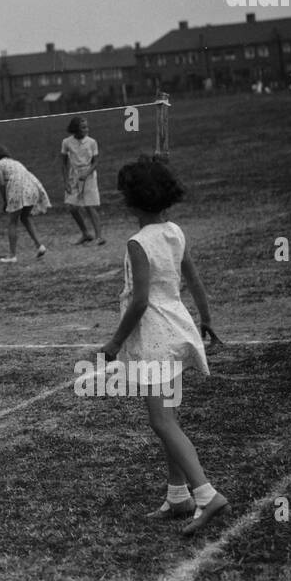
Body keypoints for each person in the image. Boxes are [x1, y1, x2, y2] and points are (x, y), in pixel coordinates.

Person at [99, 157, 227, 536]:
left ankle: (206, 494)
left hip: (154, 338)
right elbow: (194, 279)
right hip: (177, 330)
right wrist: (206, 319)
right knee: (168, 418)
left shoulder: (138, 242)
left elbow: (139, 302)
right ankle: (178, 496)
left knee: (160, 420)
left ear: (131, 201)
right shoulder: (174, 231)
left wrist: (115, 341)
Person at [0, 144, 50, 263]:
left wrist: (5, 201)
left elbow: (1, 184)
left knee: (12, 222)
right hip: (32, 186)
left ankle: (12, 255)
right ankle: (39, 245)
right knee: (25, 217)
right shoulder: (14, 162)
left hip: (18, 189)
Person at [61, 116, 104, 245]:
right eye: (83, 127)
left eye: (87, 127)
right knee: (72, 207)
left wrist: (87, 173)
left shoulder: (92, 142)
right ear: (75, 129)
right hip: (74, 176)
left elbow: (96, 162)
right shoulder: (66, 142)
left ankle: (99, 236)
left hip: (89, 176)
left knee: (89, 206)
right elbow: (63, 163)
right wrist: (66, 182)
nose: (86, 129)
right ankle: (85, 233)